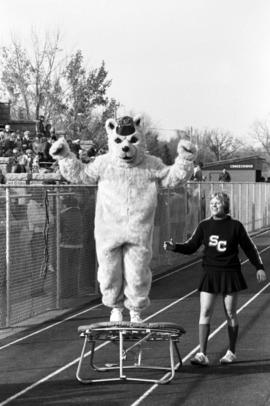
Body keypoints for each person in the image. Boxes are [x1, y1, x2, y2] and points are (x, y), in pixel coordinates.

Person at [163, 191, 267, 366]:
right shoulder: (204, 226)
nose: (213, 205)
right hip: (210, 273)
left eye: (217, 202)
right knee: (205, 312)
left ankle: (231, 352)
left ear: (225, 206)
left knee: (230, 313)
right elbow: (191, 247)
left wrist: (259, 267)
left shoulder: (236, 226)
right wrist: (175, 247)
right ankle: (202, 354)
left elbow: (249, 248)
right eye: (212, 202)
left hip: (230, 273)